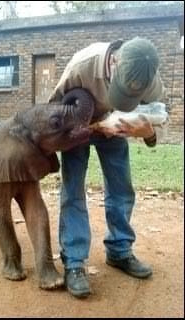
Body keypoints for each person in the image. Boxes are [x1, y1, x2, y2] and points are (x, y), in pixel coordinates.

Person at [48, 37, 165, 298]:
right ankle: (75, 262)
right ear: (114, 62)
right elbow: (52, 109)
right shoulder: (82, 66)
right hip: (78, 126)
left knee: (122, 188)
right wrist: (77, 130)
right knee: (73, 191)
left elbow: (159, 118)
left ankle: (120, 250)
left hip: (117, 129)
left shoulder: (149, 78)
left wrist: (147, 133)